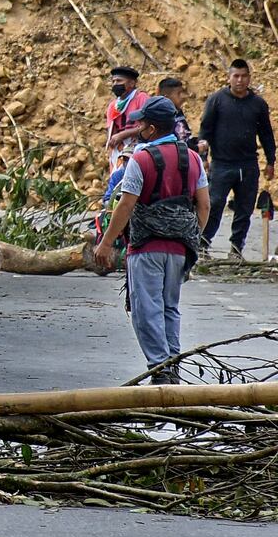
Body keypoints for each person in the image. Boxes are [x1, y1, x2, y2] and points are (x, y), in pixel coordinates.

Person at [95, 97, 209, 382]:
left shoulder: (141, 159)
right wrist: (191, 237)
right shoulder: (193, 158)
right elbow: (204, 205)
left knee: (146, 310)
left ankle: (160, 369)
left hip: (146, 248)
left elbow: (125, 205)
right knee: (170, 307)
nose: (139, 128)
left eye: (142, 124)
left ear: (153, 128)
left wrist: (106, 243)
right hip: (180, 249)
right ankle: (173, 365)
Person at [200, 59, 277, 257]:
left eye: (244, 76)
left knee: (244, 208)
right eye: (236, 76)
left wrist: (270, 161)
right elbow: (205, 131)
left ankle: (236, 248)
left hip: (248, 164)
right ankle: (203, 244)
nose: (240, 80)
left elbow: (266, 134)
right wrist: (204, 157)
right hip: (221, 164)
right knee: (215, 204)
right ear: (229, 77)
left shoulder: (258, 104)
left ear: (249, 78)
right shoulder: (217, 100)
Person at [105, 67, 150, 171]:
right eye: (113, 81)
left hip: (139, 146)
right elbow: (111, 132)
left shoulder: (141, 98)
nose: (115, 84)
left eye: (119, 81)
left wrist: (123, 135)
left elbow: (147, 126)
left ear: (132, 83)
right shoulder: (113, 106)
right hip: (119, 151)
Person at [157, 77, 203, 156]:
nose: (183, 96)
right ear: (166, 98)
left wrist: (198, 142)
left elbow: (185, 136)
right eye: (179, 93)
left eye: (182, 92)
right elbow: (173, 144)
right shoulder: (162, 117)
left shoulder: (178, 112)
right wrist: (197, 148)